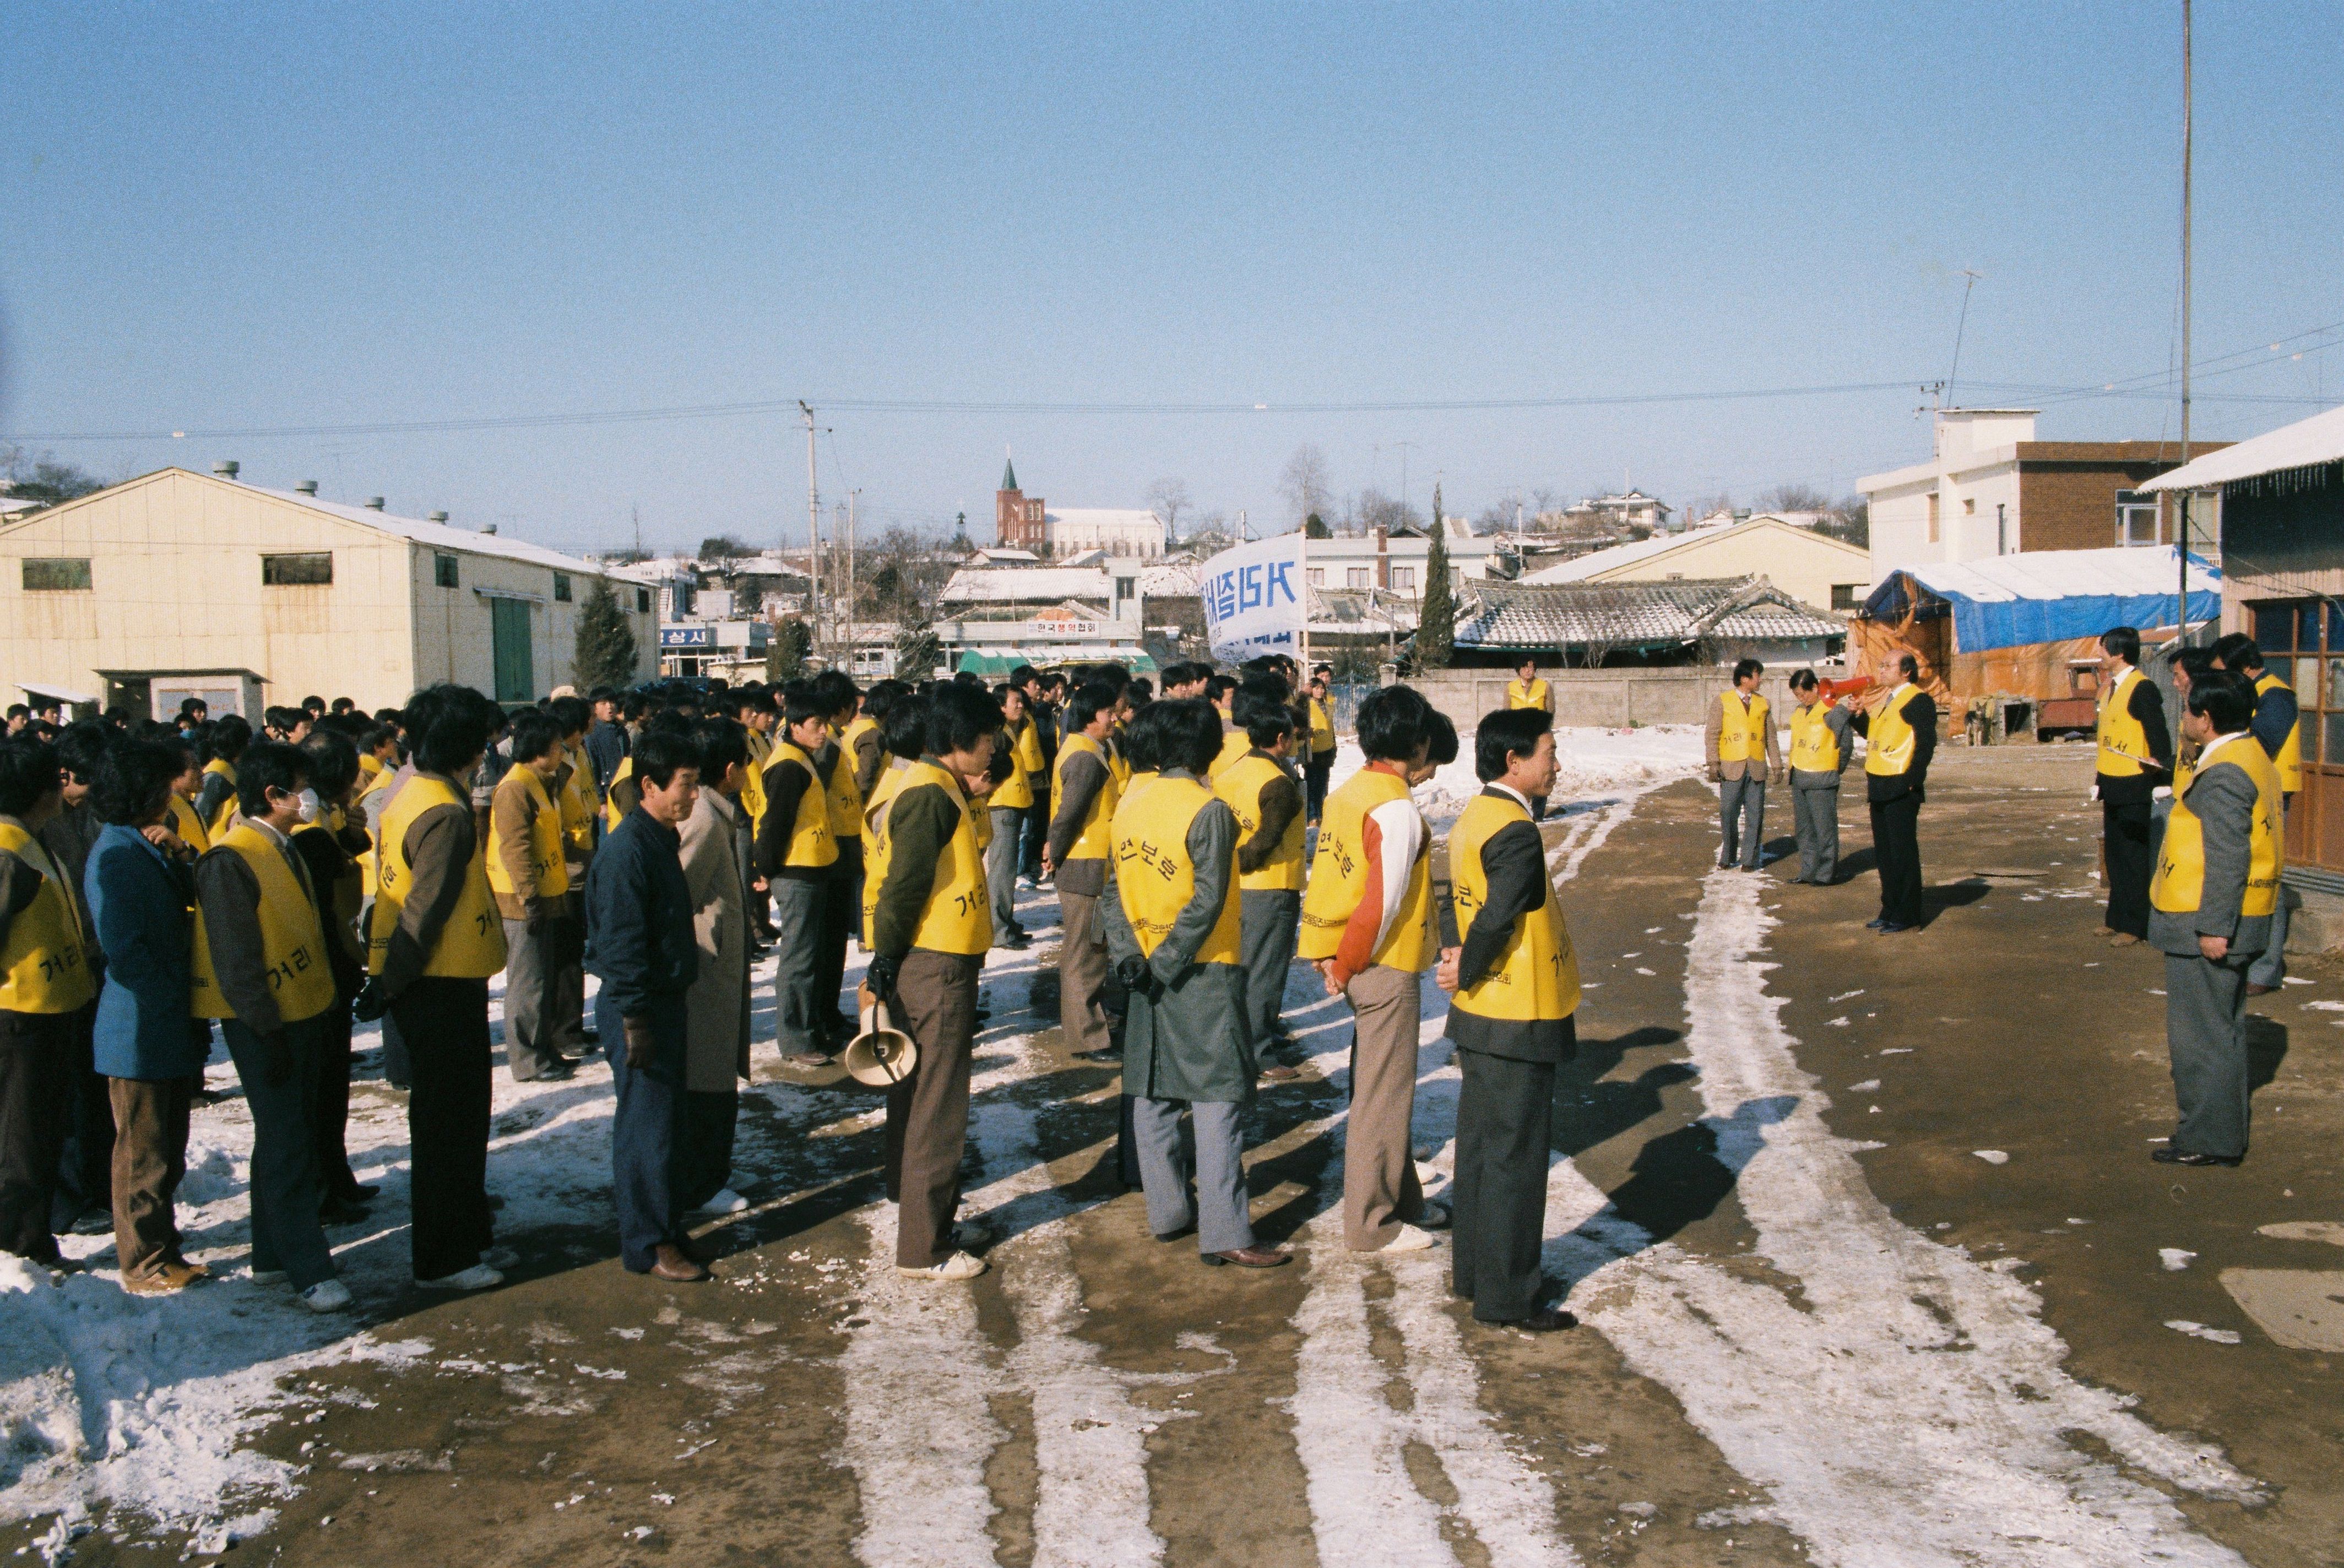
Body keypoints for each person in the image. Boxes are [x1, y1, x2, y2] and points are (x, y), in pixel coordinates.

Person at [1104, 699, 1289, 1269]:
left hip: (1142, 968)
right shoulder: (1209, 811)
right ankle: (1226, 1230)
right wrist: (1166, 960)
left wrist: (1130, 958)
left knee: (1153, 1092)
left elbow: (1112, 895)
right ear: (1207, 747)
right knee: (1217, 1099)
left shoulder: (1129, 807)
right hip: (1203, 969)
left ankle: (1166, 1213)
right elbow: (1208, 900)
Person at [191, 741, 352, 1311]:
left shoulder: (283, 848)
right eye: (301, 787)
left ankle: (271, 1256)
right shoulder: (231, 858)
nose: (310, 798)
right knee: (289, 1144)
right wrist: (265, 1030)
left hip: (303, 1010)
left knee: (284, 1137)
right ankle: (310, 1268)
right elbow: (236, 961)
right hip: (267, 1023)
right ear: (273, 795)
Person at [357, 694, 509, 1292]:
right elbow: (424, 912)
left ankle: (467, 1236)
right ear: (469, 747)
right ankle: (445, 1258)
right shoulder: (444, 812)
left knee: (454, 1119)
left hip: (432, 982)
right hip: (438, 984)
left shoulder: (408, 786)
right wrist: (391, 982)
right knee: (451, 1125)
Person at [1434, 708, 1578, 1331]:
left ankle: (1475, 1275)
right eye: (1548, 751)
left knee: (1481, 1151)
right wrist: (1464, 964)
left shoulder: (1475, 816)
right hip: (1518, 1009)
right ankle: (1509, 1297)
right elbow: (1496, 917)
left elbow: (1450, 891)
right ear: (1512, 761)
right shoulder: (1515, 831)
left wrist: (1453, 956)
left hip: (1481, 1014)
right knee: (1515, 1160)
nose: (1556, 763)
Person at [1299, 684, 1451, 1254]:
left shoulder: (1351, 791)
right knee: (1382, 1099)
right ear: (1415, 742)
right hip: (1379, 964)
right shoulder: (1394, 807)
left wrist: (1328, 953)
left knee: (1381, 1087)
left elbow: (1332, 879)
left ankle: (1404, 1199)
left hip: (1353, 957)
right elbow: (1379, 903)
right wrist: (1344, 964)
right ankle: (1371, 1224)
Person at [862, 683, 1002, 1282]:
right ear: (954, 743)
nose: (994, 748)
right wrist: (881, 967)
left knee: (918, 1092)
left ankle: (925, 1218)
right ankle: (924, 1248)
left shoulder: (942, 787)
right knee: (936, 1105)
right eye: (986, 739)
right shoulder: (927, 794)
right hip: (933, 963)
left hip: (938, 957)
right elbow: (902, 888)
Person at [584, 729, 709, 1282]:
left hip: (662, 999)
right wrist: (635, 1018)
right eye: (685, 785)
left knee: (665, 1124)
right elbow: (620, 943)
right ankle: (648, 1243)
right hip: (639, 1006)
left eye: (696, 783)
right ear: (649, 786)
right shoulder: (627, 851)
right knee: (646, 1128)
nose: (694, 796)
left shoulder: (657, 837)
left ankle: (663, 1224)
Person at [84, 739, 207, 1293]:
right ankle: (144, 1262)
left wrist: (180, 855)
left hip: (162, 1019)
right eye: (160, 788)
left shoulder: (143, 844)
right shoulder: (115, 854)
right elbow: (125, 949)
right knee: (143, 1154)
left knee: (165, 1148)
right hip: (140, 1024)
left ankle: (164, 1247)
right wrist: (171, 997)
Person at [2147, 669, 2281, 1168]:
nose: (2182, 717)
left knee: (2201, 1036)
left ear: (2204, 719)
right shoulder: (2250, 754)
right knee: (2221, 1029)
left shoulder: (2225, 772)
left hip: (2210, 921)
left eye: (2186, 710)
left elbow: (2228, 856)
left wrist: (2215, 928)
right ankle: (2218, 1132)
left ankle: (2208, 1139)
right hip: (2238, 915)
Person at [0, 737, 95, 1268]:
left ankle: (34, 1238)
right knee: (20, 1142)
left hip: (49, 1013)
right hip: (20, 1019)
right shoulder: (7, 850)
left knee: (40, 1136)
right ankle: (18, 1250)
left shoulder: (31, 840)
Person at [291, 730, 377, 1217]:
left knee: (334, 1084)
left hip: (337, 962)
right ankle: (324, 1187)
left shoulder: (326, 815)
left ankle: (337, 1175)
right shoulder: (309, 827)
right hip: (325, 966)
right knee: (322, 1089)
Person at [677, 720, 754, 1218]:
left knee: (716, 1068)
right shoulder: (704, 819)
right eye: (746, 763)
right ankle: (701, 1182)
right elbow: (678, 889)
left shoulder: (713, 810)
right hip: (706, 965)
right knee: (707, 1072)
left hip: (719, 959)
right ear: (730, 770)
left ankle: (712, 1170)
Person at [1214, 688, 1306, 1076]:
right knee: (1265, 972)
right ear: (1281, 739)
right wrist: (1242, 862)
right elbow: (1266, 840)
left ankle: (1242, 1039)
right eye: (1293, 736)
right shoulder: (1278, 782)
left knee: (1244, 968)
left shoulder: (1232, 771)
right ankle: (1259, 1052)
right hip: (1270, 886)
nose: (1296, 742)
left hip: (1238, 888)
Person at [44, 724, 113, 1238]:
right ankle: (67, 1198)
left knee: (93, 1086)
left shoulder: (92, 813)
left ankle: (96, 1182)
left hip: (95, 962)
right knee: (64, 1093)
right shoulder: (42, 824)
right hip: (60, 968)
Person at [487, 712, 578, 1083]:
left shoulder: (541, 782)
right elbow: (516, 849)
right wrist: (530, 899)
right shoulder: (515, 788)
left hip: (548, 893)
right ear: (538, 751)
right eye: (557, 748)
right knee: (528, 981)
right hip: (524, 899)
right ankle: (527, 1059)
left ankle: (544, 1048)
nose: (562, 753)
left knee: (546, 978)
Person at [2210, 633, 2300, 994]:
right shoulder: (2248, 693)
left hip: (2272, 794)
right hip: (2248, 790)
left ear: (2246, 667)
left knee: (2266, 880)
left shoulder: (2276, 695)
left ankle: (2265, 970)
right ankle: (2247, 958)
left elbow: (2261, 741)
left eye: (2224, 674)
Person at [756, 683, 839, 1068]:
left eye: (825, 723)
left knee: (811, 955)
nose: (824, 731)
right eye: (816, 724)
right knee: (799, 959)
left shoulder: (800, 757)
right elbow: (773, 825)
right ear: (795, 726)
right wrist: (766, 870)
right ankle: (794, 1037)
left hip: (812, 867)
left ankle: (811, 1026)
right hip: (796, 872)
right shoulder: (788, 765)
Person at [1047, 683, 1123, 1061]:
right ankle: (1087, 1037)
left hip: (1093, 861)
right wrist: (1054, 852)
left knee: (1092, 950)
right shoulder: (1084, 756)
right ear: (1091, 715)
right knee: (1084, 953)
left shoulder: (1092, 748)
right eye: (1109, 711)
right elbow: (1069, 814)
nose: (1115, 717)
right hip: (1086, 864)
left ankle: (1092, 1023)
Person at [2092, 626, 2174, 948]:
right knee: (2114, 855)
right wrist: (2099, 781)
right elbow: (2107, 740)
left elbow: (2158, 735)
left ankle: (2135, 925)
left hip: (2134, 783)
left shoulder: (2142, 688)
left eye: (2103, 648)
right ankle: (2116, 919)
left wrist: (2162, 780)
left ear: (2119, 653)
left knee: (2132, 856)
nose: (2099, 653)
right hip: (2113, 781)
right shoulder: (2111, 688)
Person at [1851, 653, 1937, 934]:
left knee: (1903, 853)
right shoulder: (1887, 701)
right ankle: (1889, 909)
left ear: (1906, 673)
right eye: (1882, 665)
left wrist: (1914, 778)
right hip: (1879, 782)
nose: (1882, 670)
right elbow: (1875, 736)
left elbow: (1926, 743)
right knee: (1885, 854)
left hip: (1900, 784)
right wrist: (1858, 717)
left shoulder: (1918, 700)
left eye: (1888, 666)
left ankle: (1907, 913)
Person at [1706, 659, 1778, 872]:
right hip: (1731, 767)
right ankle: (1728, 855)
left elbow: (1771, 738)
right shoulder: (1722, 701)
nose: (1760, 679)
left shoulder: (1764, 703)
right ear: (1745, 678)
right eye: (1758, 675)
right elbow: (1712, 734)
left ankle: (1750, 859)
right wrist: (1713, 762)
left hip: (1756, 767)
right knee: (1728, 812)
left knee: (1755, 815)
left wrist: (1777, 765)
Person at [1785, 669, 1854, 885]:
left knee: (1824, 829)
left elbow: (1846, 745)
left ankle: (1825, 874)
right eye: (1797, 695)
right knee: (1804, 830)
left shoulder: (1834, 711)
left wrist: (1835, 768)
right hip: (1800, 777)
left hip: (1822, 778)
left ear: (1815, 687)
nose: (1801, 698)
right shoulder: (1798, 712)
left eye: (1803, 694)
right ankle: (1808, 872)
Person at [985, 684, 1036, 950]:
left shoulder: (1007, 730)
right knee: (1002, 870)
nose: (1020, 706)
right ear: (1001, 706)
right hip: (1002, 806)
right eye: (1015, 702)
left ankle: (1006, 921)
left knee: (1006, 869)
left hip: (1012, 804)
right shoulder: (997, 734)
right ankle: (999, 931)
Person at [1505, 656, 1555, 817]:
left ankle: (1538, 813)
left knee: (1542, 771)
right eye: (1525, 667)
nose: (1529, 671)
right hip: (1519, 736)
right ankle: (1521, 810)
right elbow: (1507, 713)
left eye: (1532, 667)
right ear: (1519, 669)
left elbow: (1550, 711)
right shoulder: (1510, 687)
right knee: (1520, 772)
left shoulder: (1545, 686)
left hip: (1539, 735)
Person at [197, 715, 252, 841]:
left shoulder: (233, 769)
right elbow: (201, 817)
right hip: (217, 843)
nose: (250, 745)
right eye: (248, 740)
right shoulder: (215, 775)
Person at [1303, 675, 1339, 826]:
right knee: (1313, 783)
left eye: (1322, 688)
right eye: (1316, 688)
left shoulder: (1327, 705)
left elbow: (1330, 727)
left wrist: (1334, 745)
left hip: (1327, 749)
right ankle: (1312, 815)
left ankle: (1322, 813)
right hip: (1313, 750)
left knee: (1324, 782)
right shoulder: (1307, 706)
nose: (1320, 691)